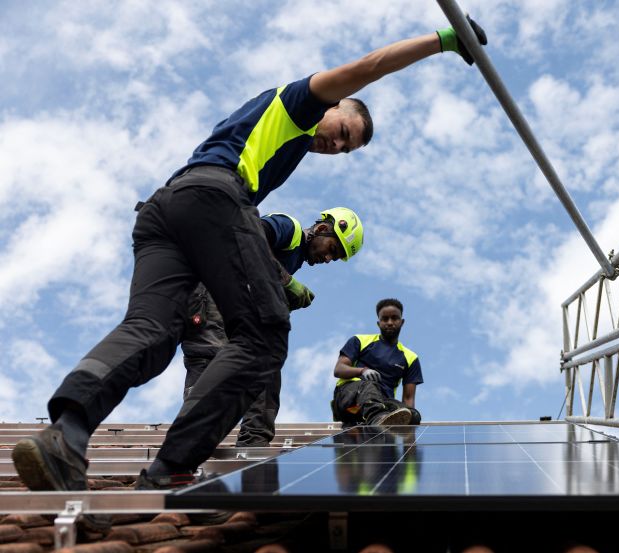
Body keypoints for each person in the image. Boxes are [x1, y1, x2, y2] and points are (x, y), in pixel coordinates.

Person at [12, 17, 487, 500]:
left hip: (166, 208)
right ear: (336, 105)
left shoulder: (284, 136)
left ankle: (65, 435)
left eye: (345, 147)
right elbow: (370, 66)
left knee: (151, 332)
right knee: (264, 335)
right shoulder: (301, 102)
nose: (337, 144)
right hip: (216, 197)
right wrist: (443, 42)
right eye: (343, 130)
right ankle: (172, 468)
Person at [183, 207, 363, 447]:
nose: (328, 259)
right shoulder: (290, 228)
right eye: (332, 249)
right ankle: (188, 442)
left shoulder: (295, 259)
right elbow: (249, 239)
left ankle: (254, 441)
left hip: (239, 311)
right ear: (321, 229)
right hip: (212, 293)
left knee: (267, 364)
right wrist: (287, 283)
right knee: (210, 361)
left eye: (335, 257)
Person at [332, 298, 423, 427]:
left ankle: (383, 419)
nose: (390, 322)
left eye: (394, 318)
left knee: (413, 415)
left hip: (383, 403)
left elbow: (408, 398)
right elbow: (339, 369)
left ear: (402, 322)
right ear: (378, 323)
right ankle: (378, 419)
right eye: (385, 319)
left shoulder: (410, 358)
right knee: (369, 386)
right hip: (350, 403)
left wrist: (409, 430)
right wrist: (362, 371)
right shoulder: (359, 340)